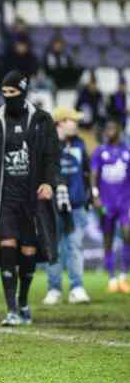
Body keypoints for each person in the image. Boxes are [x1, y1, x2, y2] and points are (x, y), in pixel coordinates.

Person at [0, 70, 60, 327]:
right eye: (4, 93)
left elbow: (52, 158)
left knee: (29, 250)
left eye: (13, 93)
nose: (8, 97)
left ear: (23, 92)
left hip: (32, 198)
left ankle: (23, 300)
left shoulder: (42, 120)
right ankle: (11, 309)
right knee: (7, 245)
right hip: (4, 197)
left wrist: (48, 182)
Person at [43, 106, 91, 305]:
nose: (76, 123)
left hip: (77, 205)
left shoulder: (80, 144)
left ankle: (77, 287)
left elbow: (86, 172)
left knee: (75, 246)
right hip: (52, 205)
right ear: (61, 122)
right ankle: (54, 289)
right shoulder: (47, 145)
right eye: (73, 120)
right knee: (53, 248)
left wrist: (88, 196)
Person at [90, 119, 130, 294]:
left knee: (128, 234)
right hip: (106, 203)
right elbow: (93, 174)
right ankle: (112, 279)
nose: (110, 131)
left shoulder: (127, 151)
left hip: (125, 202)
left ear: (119, 130)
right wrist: (95, 195)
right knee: (108, 240)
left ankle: (123, 276)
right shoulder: (100, 151)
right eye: (108, 128)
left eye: (113, 127)